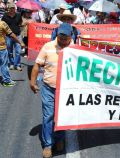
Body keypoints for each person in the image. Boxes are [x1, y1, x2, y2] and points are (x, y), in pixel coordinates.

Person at [30, 23, 74, 158]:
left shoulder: (75, 49)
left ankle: (59, 138)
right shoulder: (48, 47)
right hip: (49, 88)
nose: (62, 39)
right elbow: (37, 65)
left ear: (70, 36)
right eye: (60, 36)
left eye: (65, 37)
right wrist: (32, 82)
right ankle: (48, 145)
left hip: (66, 90)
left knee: (62, 116)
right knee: (48, 116)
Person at [0, 20, 24, 86]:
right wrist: (20, 42)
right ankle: (7, 81)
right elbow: (11, 34)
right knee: (4, 65)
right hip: (1, 48)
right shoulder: (2, 23)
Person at [1, 2, 23, 71]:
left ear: (15, 9)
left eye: (13, 8)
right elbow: (2, 25)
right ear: (8, 9)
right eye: (11, 8)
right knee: (9, 51)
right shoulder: (5, 16)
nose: (12, 9)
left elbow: (20, 23)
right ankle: (12, 64)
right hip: (8, 36)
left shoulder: (18, 15)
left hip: (17, 35)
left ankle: (17, 64)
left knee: (18, 51)